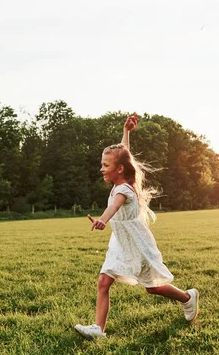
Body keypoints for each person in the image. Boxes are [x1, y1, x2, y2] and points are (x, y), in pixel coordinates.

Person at [74, 115, 199, 339]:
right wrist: (126, 132)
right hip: (120, 243)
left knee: (152, 287)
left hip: (136, 243)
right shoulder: (122, 182)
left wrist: (103, 219)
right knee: (103, 281)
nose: (101, 168)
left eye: (105, 165)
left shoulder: (123, 191)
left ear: (119, 169)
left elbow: (114, 206)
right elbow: (124, 152)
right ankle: (98, 329)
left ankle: (187, 297)